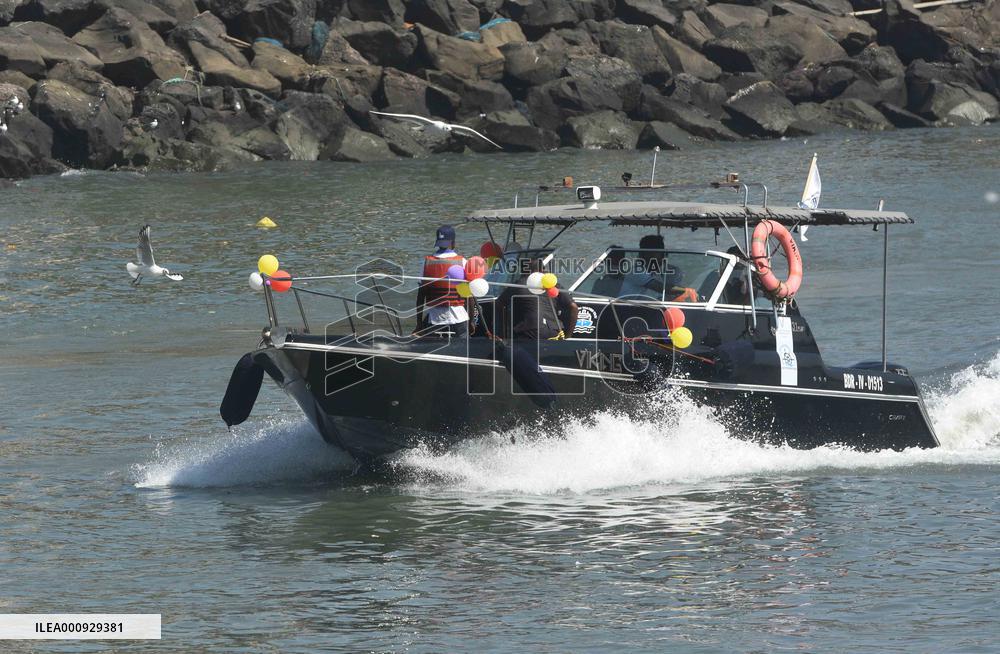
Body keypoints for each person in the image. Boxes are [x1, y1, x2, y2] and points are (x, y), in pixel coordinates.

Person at [496, 259, 572, 341]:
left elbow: (498, 303)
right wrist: (568, 337)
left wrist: (502, 334)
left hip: (528, 332)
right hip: (554, 331)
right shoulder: (553, 285)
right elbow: (573, 307)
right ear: (541, 270)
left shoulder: (518, 284)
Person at [415, 225, 470, 337]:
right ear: (453, 242)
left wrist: (419, 324)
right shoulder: (463, 262)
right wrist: (473, 321)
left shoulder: (426, 263)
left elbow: (420, 297)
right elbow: (469, 296)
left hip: (435, 320)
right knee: (463, 346)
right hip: (459, 319)